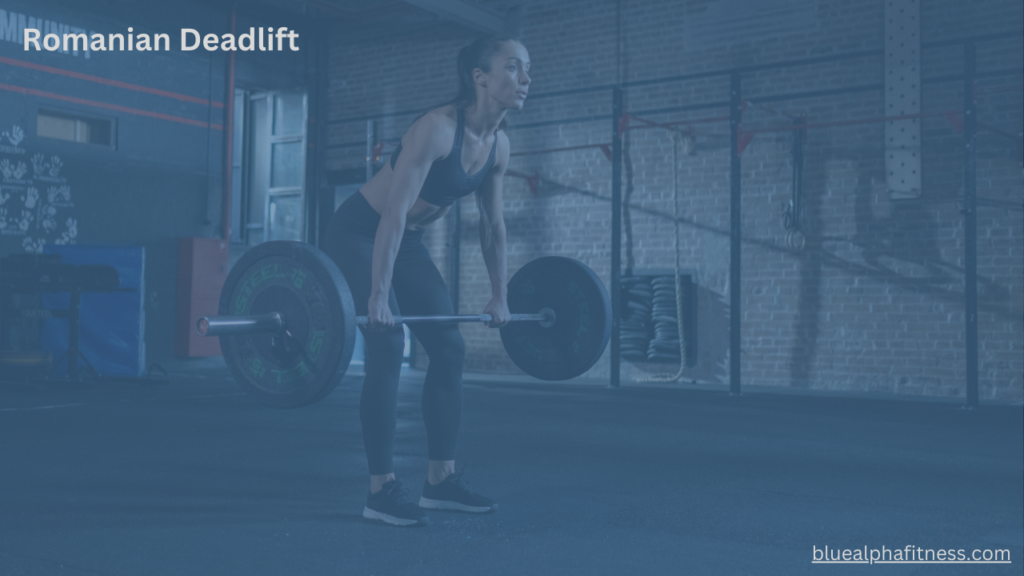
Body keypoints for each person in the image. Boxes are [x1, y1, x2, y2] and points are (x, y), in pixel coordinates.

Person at [323, 36, 530, 527]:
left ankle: (440, 481)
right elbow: (392, 214)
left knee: (450, 348)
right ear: (480, 77)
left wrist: (500, 294)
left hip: (407, 241)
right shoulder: (435, 130)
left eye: (527, 70)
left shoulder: (499, 143)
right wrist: (377, 295)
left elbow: (492, 225)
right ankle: (380, 490)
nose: (525, 79)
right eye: (513, 68)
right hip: (359, 231)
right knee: (387, 340)